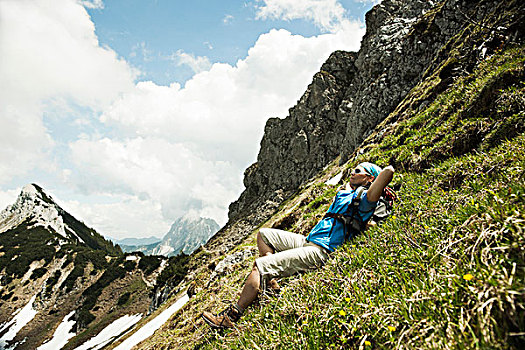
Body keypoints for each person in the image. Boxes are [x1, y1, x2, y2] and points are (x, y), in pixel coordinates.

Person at [202, 162, 395, 329]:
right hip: (308, 241)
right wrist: (357, 179)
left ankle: (230, 317)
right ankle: (272, 283)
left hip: (321, 250)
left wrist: (376, 182)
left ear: (369, 178)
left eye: (358, 171)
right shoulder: (345, 194)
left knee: (259, 266)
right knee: (263, 235)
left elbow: (389, 171)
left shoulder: (366, 200)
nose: (353, 172)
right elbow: (349, 184)